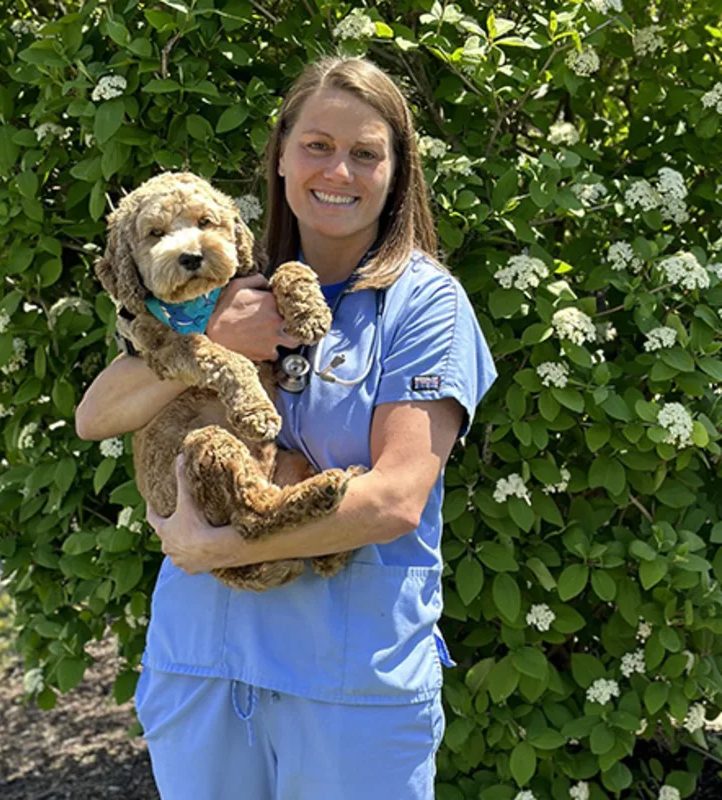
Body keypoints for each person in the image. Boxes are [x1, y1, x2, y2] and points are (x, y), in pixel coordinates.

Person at [76, 56, 496, 800]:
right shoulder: (222, 281)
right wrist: (221, 339)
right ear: (278, 156)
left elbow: (397, 498)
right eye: (317, 145)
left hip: (350, 687)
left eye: (366, 152)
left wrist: (220, 547)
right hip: (202, 668)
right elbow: (97, 415)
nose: (339, 170)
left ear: (397, 172)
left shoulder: (424, 306)